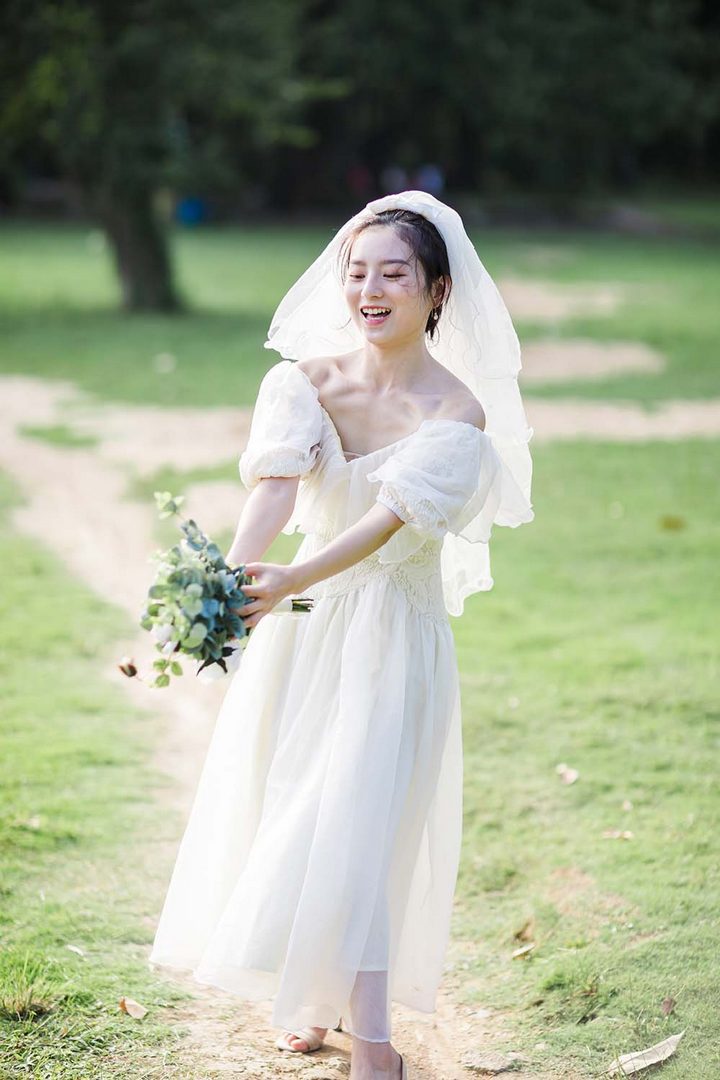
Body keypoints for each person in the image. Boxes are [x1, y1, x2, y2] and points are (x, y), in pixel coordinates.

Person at [148, 191, 534, 1080]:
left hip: (393, 638)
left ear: (437, 292)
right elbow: (275, 492)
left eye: (394, 274)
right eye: (357, 273)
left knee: (359, 826)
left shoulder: (458, 416)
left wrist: (293, 577)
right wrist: (227, 582)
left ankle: (375, 1044)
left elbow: (386, 523)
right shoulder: (304, 383)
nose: (370, 290)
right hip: (309, 633)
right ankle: (314, 1001)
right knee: (300, 809)